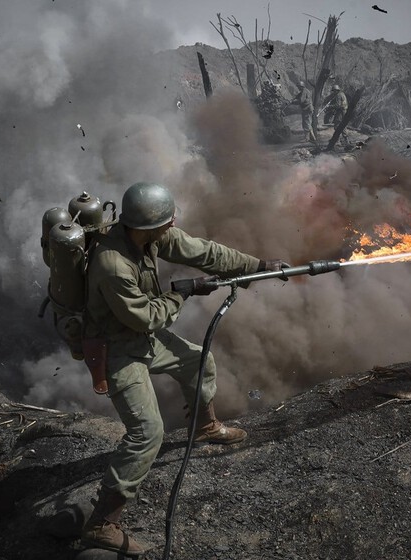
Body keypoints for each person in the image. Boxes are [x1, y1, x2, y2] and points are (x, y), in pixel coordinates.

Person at [79, 182, 287, 555]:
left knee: (198, 361)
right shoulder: (112, 264)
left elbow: (203, 252)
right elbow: (145, 317)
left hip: (138, 336)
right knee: (147, 433)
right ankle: (101, 524)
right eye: (167, 221)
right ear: (147, 225)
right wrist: (184, 291)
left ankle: (204, 425)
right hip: (117, 349)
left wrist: (258, 266)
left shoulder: (150, 236)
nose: (172, 225)